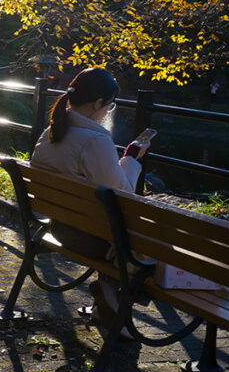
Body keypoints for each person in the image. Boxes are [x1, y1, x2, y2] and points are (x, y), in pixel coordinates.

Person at [30, 67, 149, 334]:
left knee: (114, 227)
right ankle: (112, 296)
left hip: (59, 227)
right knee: (150, 252)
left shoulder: (50, 132)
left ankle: (108, 296)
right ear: (98, 103)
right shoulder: (95, 140)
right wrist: (130, 161)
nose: (108, 111)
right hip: (92, 240)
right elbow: (124, 197)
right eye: (109, 105)